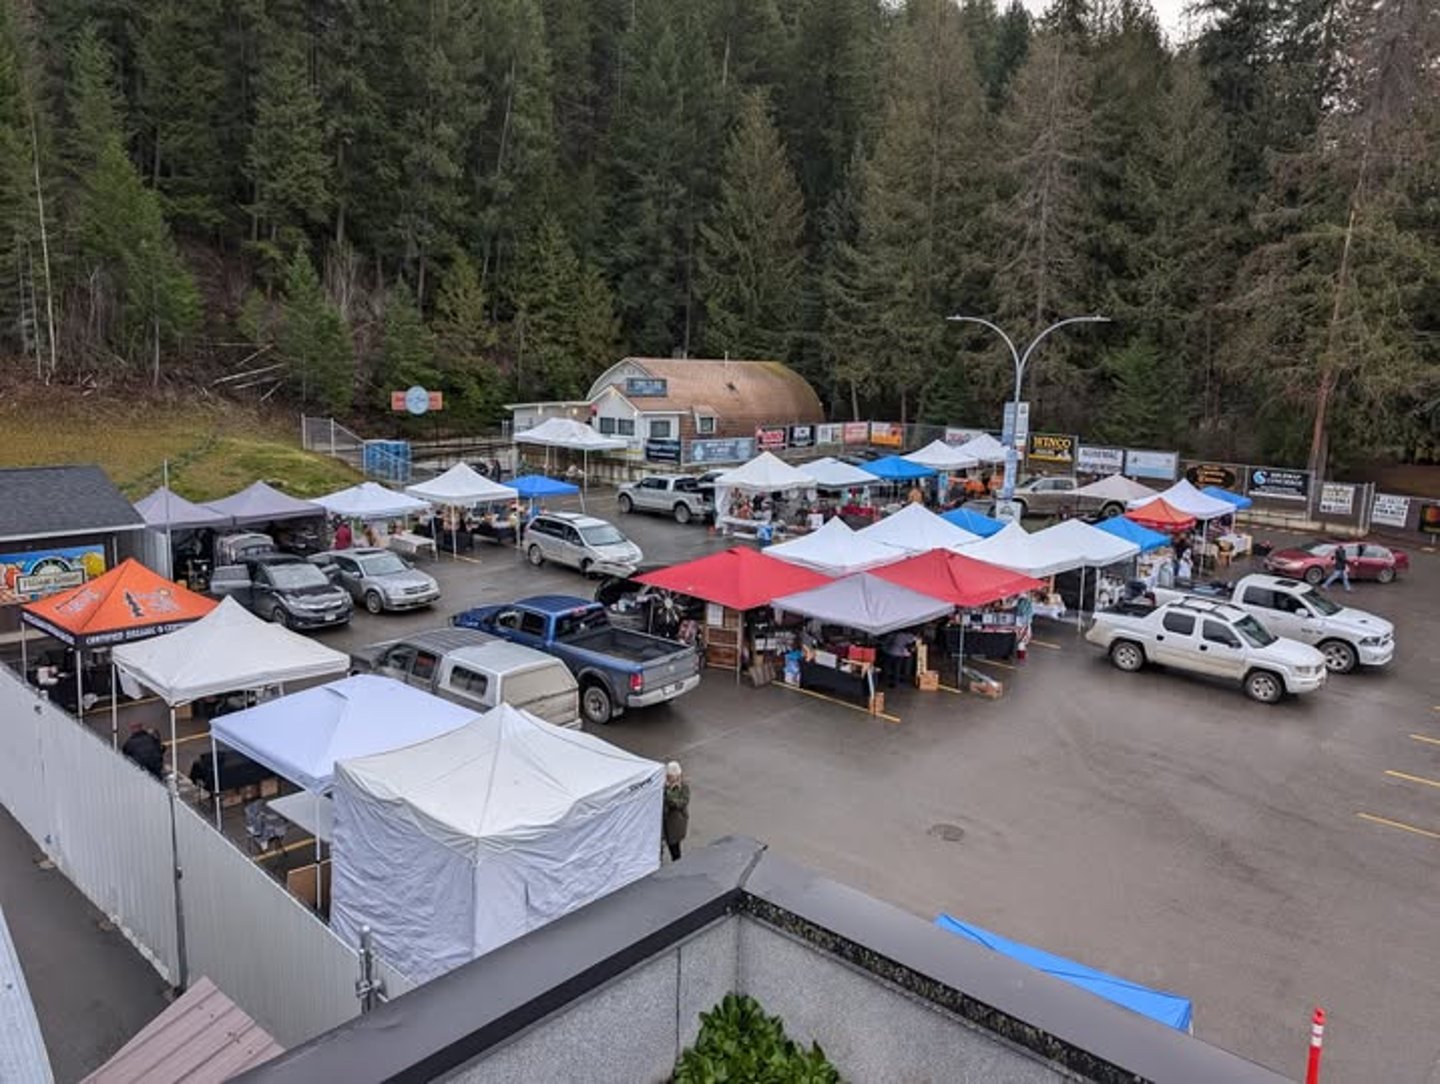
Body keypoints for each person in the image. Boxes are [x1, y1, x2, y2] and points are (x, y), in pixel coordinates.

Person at [662, 762, 689, 861]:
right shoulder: (664, 786)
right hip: (665, 822)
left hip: (676, 823)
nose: (670, 778)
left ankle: (677, 864)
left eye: (672, 776)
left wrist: (670, 797)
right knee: (666, 845)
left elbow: (682, 802)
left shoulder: (683, 787)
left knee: (675, 848)